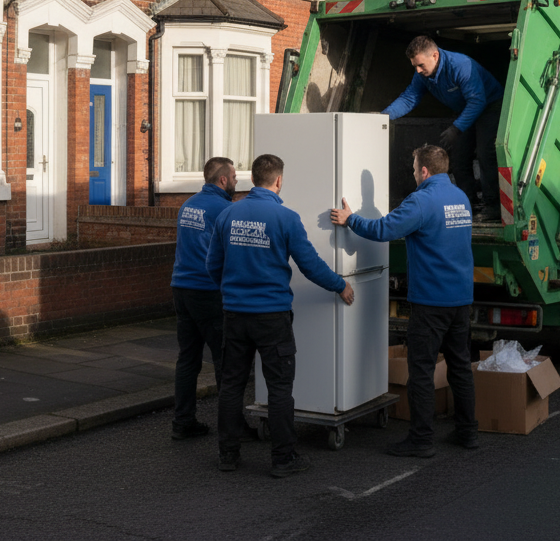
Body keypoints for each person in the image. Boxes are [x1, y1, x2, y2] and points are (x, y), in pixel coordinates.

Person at [207, 153, 356, 477]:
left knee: (231, 386)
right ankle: (283, 458)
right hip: (271, 317)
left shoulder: (228, 215)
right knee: (279, 389)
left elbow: (211, 265)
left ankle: (228, 455)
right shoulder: (286, 218)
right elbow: (310, 264)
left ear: (252, 179)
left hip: (235, 314)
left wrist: (231, 291)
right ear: (278, 181)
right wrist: (339, 284)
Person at [330, 144, 477, 457]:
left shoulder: (422, 200)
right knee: (460, 366)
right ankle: (468, 432)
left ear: (424, 171)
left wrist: (351, 219)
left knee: (421, 371)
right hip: (461, 298)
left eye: (413, 168)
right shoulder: (460, 197)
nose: (412, 173)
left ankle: (421, 440)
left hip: (431, 301)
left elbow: (385, 229)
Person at [382, 36, 504, 221]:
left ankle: (493, 206)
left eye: (421, 65)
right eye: (414, 66)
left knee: (485, 152)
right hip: (465, 109)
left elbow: (478, 100)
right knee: (458, 156)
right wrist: (383, 116)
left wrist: (456, 128)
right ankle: (468, 203)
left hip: (489, 106)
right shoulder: (422, 74)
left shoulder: (460, 65)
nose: (417, 70)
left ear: (435, 56)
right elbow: (410, 98)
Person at [168, 157, 236, 441]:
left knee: (188, 360)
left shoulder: (188, 205)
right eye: (233, 176)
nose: (236, 180)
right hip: (208, 293)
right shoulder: (224, 209)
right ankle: (231, 429)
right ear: (222, 180)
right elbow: (230, 254)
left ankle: (183, 422)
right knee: (225, 363)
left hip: (181, 289)